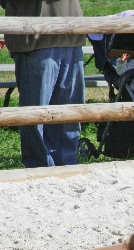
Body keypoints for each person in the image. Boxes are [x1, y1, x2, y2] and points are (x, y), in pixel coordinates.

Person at [0, 0, 85, 168]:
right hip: (36, 39)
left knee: (69, 111)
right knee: (36, 112)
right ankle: (41, 168)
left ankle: (64, 166)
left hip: (70, 34)